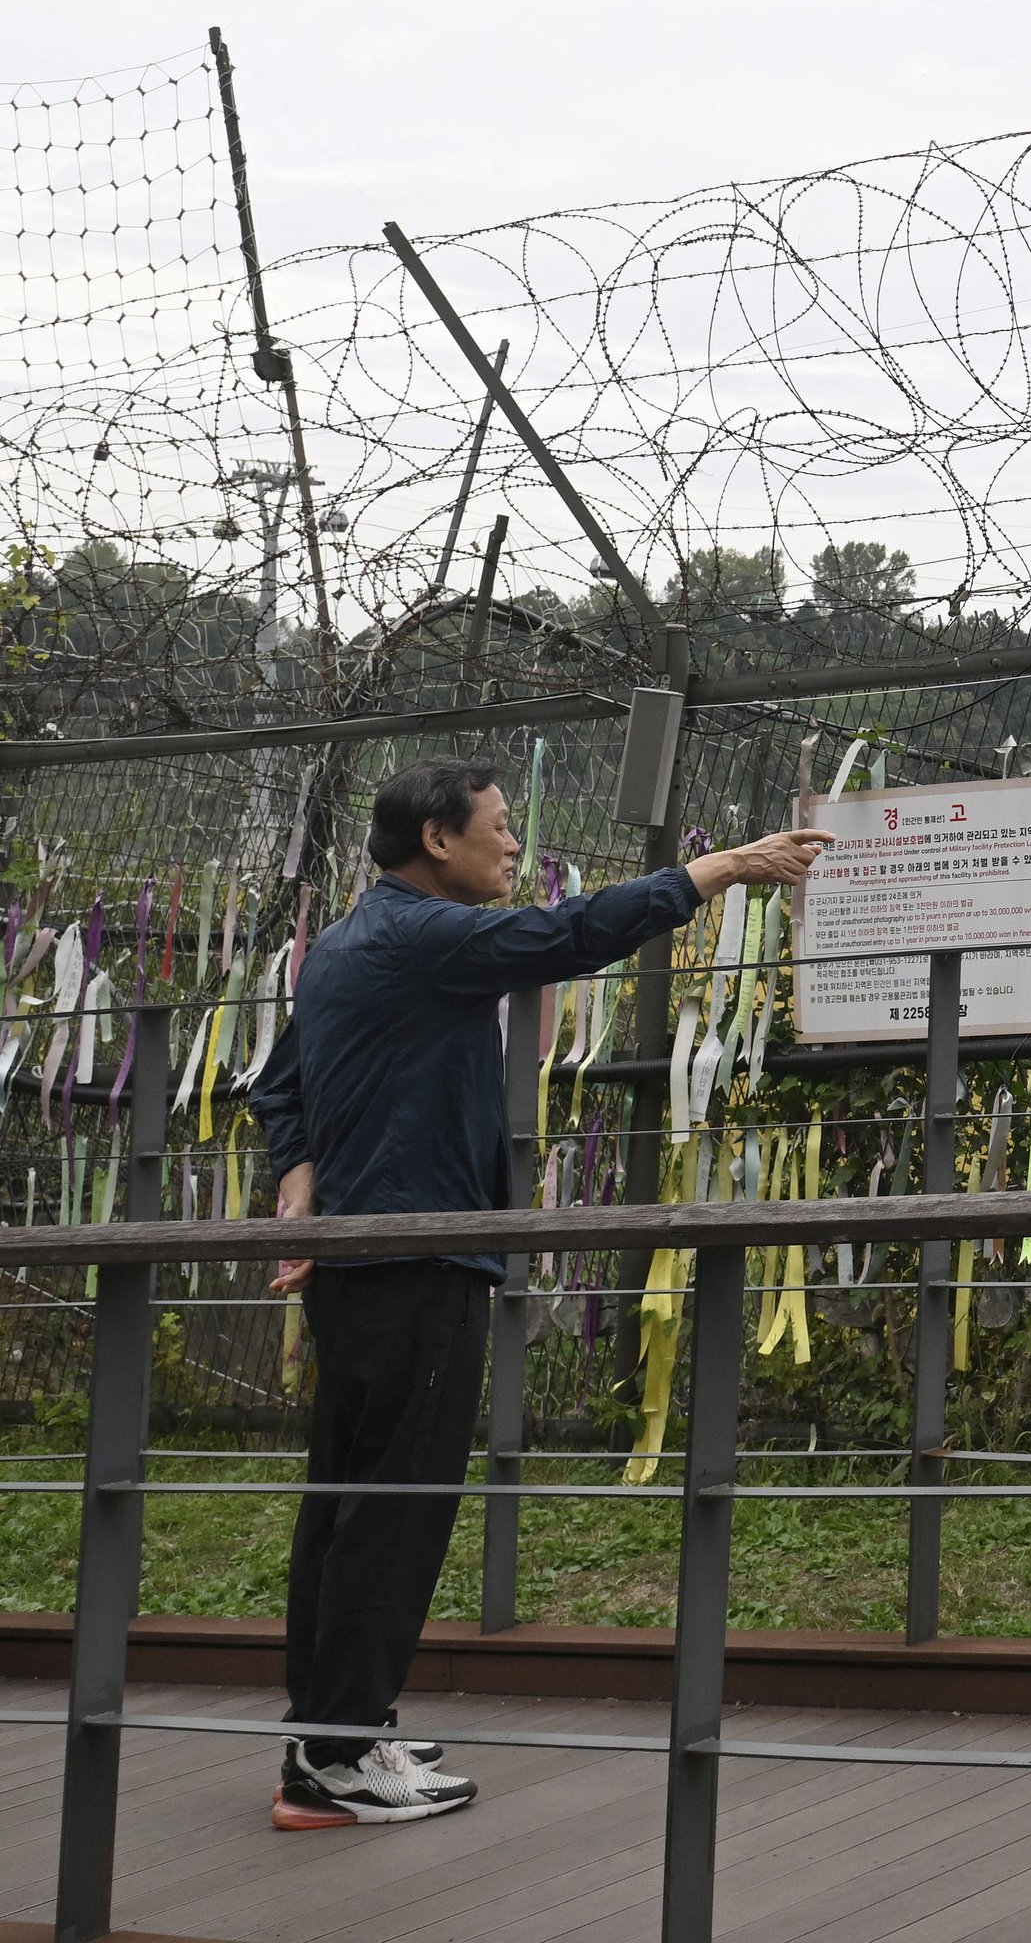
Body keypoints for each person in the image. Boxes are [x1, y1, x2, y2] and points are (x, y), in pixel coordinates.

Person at [253, 757, 826, 1830]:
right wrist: (729, 867)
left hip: (359, 1264)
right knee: (395, 1511)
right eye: (500, 828)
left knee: (347, 1504)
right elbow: (568, 935)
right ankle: (334, 1757)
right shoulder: (424, 940)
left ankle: (331, 1725)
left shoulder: (343, 944)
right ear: (438, 839)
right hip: (419, 1262)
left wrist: (298, 1170)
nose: (513, 845)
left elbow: (279, 1083)